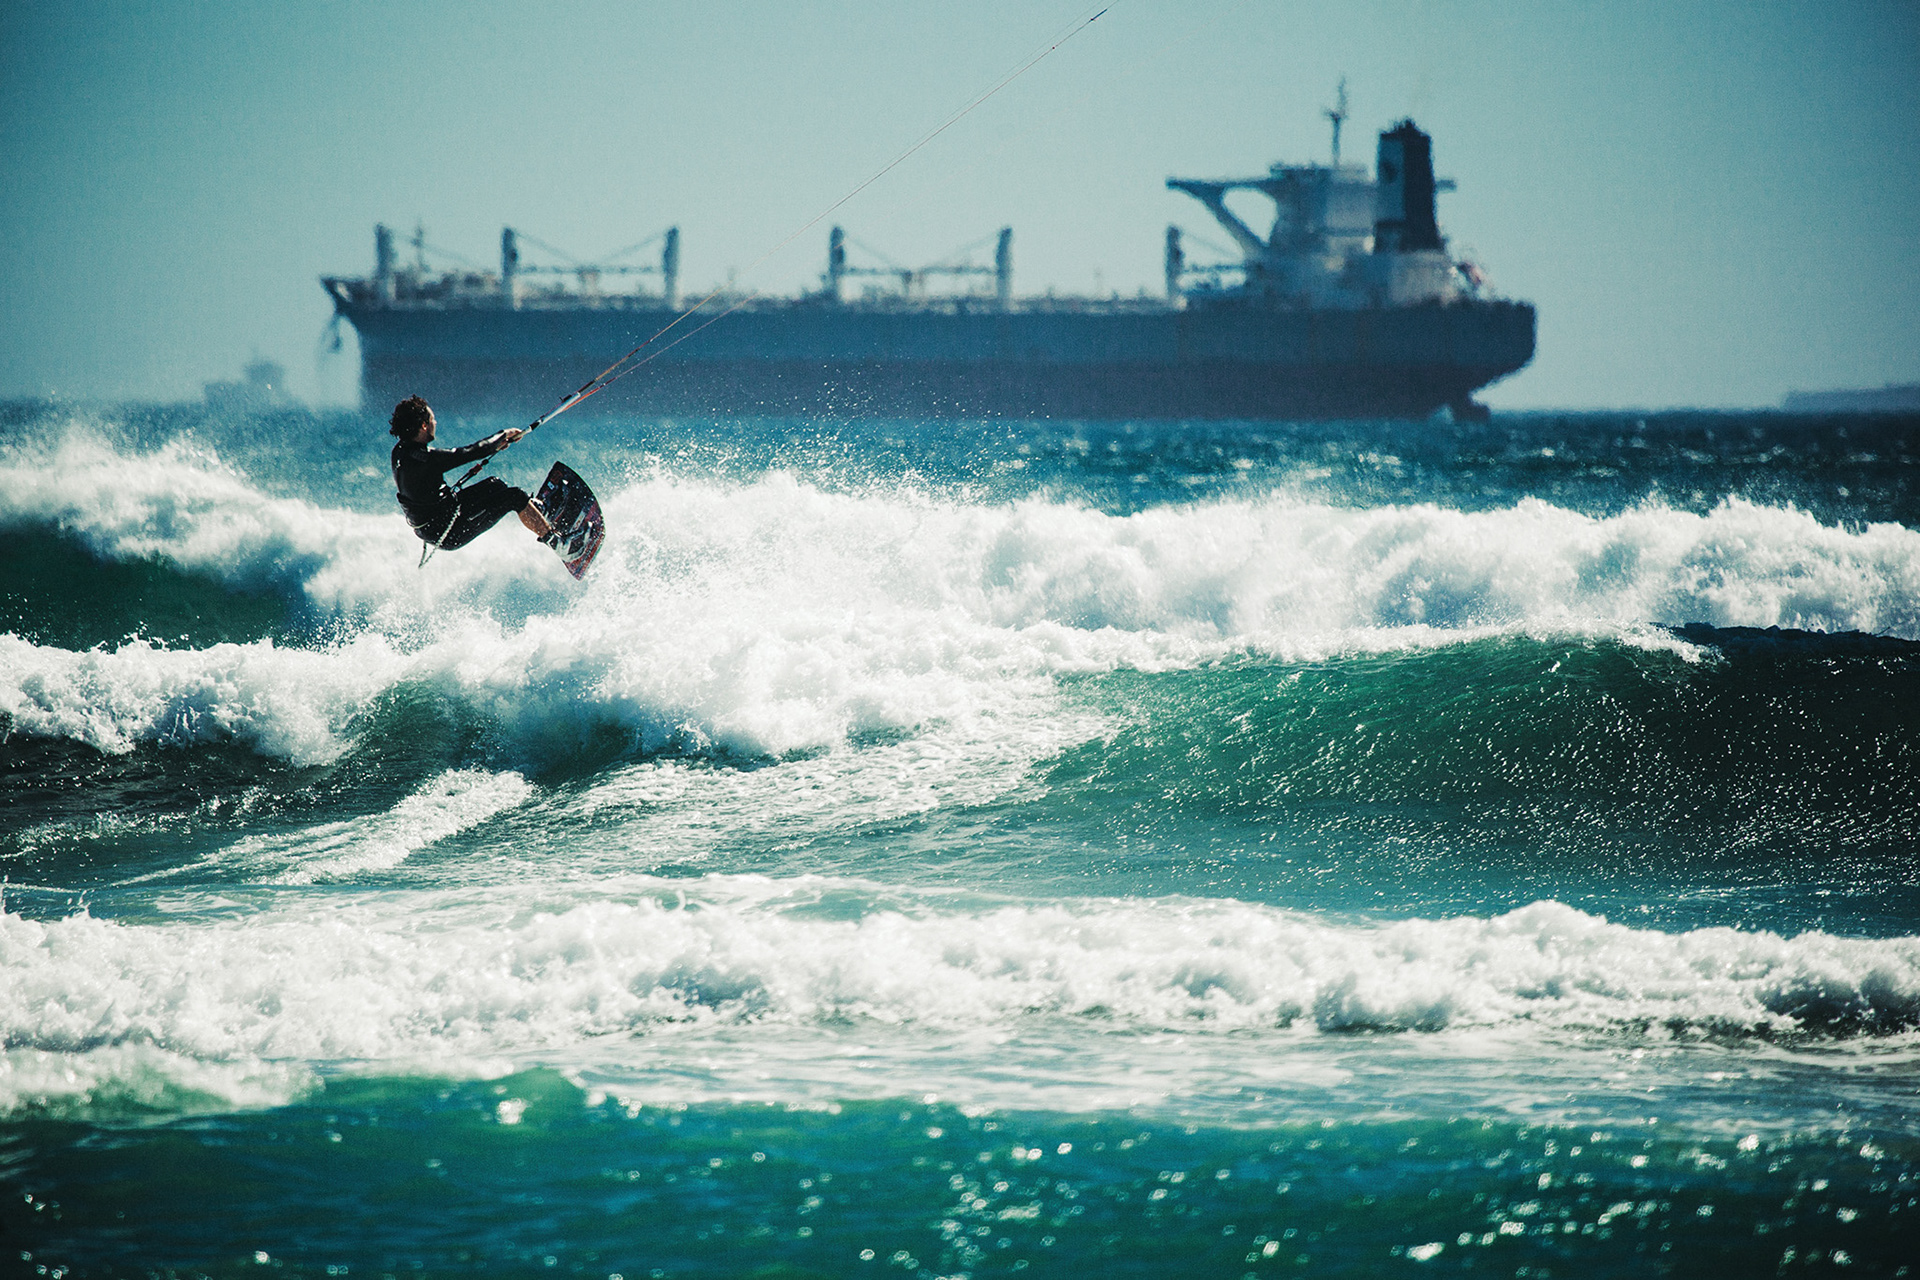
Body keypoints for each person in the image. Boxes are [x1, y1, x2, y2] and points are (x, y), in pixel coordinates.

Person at [389, 395, 552, 550]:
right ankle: (556, 541)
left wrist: (496, 444)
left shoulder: (400, 451)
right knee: (514, 496)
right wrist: (503, 435)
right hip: (449, 532)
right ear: (424, 425)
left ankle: (534, 511)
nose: (435, 422)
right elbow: (472, 452)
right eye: (432, 419)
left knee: (495, 485)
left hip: (437, 521)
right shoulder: (425, 460)